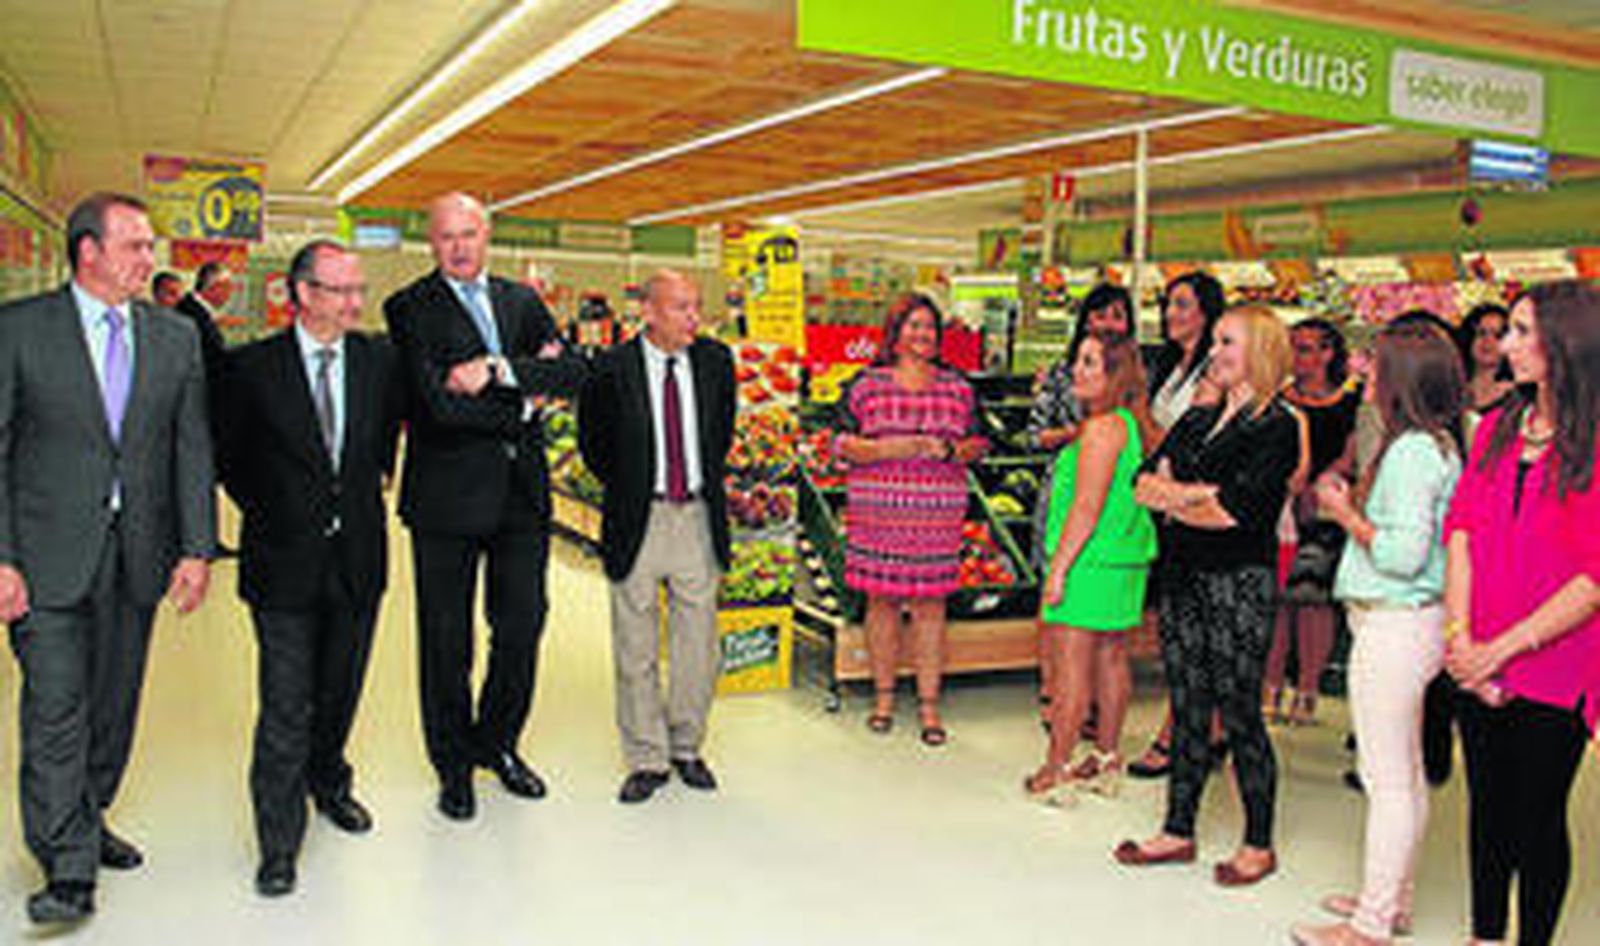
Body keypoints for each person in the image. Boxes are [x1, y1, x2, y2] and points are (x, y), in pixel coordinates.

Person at [0, 192, 214, 925]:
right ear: (88, 251)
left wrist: (197, 547)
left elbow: (192, 447)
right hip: (46, 555)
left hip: (139, 554)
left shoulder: (174, 337)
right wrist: (2, 557)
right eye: (135, 246)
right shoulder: (20, 330)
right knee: (56, 707)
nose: (149, 258)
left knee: (114, 706)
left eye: (150, 246)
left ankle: (87, 817)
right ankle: (67, 865)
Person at [383, 192, 587, 820]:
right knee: (447, 638)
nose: (459, 247)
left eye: (468, 234)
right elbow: (436, 408)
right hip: (445, 499)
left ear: (487, 234)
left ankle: (498, 744)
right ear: (431, 242)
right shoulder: (409, 307)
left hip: (521, 496)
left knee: (522, 624)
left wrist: (497, 371)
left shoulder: (521, 301)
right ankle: (452, 764)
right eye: (446, 236)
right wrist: (526, 400)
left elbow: (572, 375)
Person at [218, 240, 403, 897]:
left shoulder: (378, 361)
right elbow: (231, 460)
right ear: (301, 294)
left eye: (359, 290)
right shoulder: (250, 368)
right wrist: (283, 511)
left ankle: (330, 782)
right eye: (340, 290)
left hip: (358, 557)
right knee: (286, 703)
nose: (355, 302)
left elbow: (382, 443)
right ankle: (278, 841)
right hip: (282, 561)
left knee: (340, 689)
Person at [1288, 320, 1466, 946]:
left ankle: (1369, 925)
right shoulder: (1434, 444)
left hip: (1395, 621)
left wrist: (1344, 513)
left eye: (1376, 365)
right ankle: (1390, 900)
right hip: (1410, 622)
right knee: (1405, 773)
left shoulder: (1412, 452)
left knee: (1386, 779)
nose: (1364, 374)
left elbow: (1401, 554)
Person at [1114, 306, 1297, 888]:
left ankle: (1259, 843)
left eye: (1227, 342)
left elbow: (1233, 514)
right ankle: (1178, 829)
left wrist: (1178, 497)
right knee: (1188, 703)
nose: (1214, 352)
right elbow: (1141, 484)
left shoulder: (1277, 425)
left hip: (1238, 581)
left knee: (1239, 713)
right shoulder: (1199, 419)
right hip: (1183, 577)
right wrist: (1192, 495)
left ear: (1261, 352)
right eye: (1215, 341)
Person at [1441, 280, 1600, 946]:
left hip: (1557, 663)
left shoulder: (1593, 441)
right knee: (1487, 808)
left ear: (1565, 342)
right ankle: (1484, 935)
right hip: (1476, 649)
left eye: (1521, 331)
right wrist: (1461, 638)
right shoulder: (1499, 427)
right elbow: (1461, 532)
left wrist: (1499, 651)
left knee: (1537, 817)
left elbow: (1592, 578)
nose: (1505, 344)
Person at [578, 270, 736, 805]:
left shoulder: (716, 362)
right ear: (647, 311)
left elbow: (721, 435)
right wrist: (632, 485)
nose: (694, 318)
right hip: (638, 517)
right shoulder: (611, 369)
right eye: (680, 307)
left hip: (696, 517)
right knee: (635, 645)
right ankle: (647, 756)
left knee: (698, 645)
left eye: (697, 306)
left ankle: (687, 746)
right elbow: (594, 445)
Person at [836, 292, 987, 746]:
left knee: (930, 607)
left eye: (929, 327)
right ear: (895, 332)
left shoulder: (959, 387)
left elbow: (979, 444)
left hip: (936, 518)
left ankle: (929, 705)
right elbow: (840, 442)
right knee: (881, 602)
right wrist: (889, 448)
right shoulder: (864, 384)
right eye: (913, 325)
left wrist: (949, 449)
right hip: (877, 516)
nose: (923, 334)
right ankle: (883, 698)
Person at [1024, 330, 1156, 804]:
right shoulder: (1130, 425)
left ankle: (1056, 769)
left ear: (1114, 374)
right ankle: (1106, 758)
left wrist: (1058, 570)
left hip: (1089, 561)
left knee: (1071, 670)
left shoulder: (1100, 430)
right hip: (1123, 558)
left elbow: (1086, 507)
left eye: (1089, 362)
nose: (1076, 371)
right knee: (1111, 658)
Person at [1127, 270, 1226, 779]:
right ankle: (1210, 728)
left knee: (1190, 630)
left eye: (1183, 304)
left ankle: (1176, 734)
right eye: (1168, 303)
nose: (1171, 313)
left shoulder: (1214, 372)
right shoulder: (1169, 366)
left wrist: (1142, 414)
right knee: (1183, 627)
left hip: (1196, 509)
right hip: (1165, 509)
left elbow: (1178, 442)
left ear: (1207, 313)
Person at [1026, 283, 1134, 732]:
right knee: (1068, 621)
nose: (1108, 323)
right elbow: (1034, 435)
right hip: (1069, 499)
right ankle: (1059, 701)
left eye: (1118, 315)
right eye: (1099, 313)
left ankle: (1075, 733)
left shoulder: (1131, 385)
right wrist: (1077, 436)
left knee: (1095, 637)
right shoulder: (1063, 375)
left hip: (1106, 520)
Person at [1266, 318, 1361, 726]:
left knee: (1313, 597)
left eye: (1306, 349)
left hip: (1326, 507)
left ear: (1328, 353)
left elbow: (1352, 453)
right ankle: (1271, 683)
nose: (1297, 357)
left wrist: (1323, 484)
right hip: (1280, 504)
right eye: (1293, 348)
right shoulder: (1278, 398)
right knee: (1277, 597)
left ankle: (1307, 688)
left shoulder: (1349, 401)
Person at [175, 260, 233, 385]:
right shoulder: (190, 313)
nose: (230, 293)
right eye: (227, 287)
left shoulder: (198, 310)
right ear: (214, 287)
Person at [1455, 302, 1514, 422]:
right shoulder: (1455, 392)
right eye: (1482, 333)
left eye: (1498, 336)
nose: (1488, 341)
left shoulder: (1515, 397)